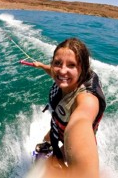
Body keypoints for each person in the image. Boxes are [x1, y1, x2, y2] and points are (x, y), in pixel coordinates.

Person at [27, 38, 106, 178]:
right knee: (46, 140)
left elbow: (81, 121)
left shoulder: (86, 99)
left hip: (69, 134)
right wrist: (40, 65)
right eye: (57, 63)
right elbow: (54, 72)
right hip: (58, 126)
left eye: (71, 65)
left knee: (57, 161)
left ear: (82, 69)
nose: (62, 71)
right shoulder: (64, 77)